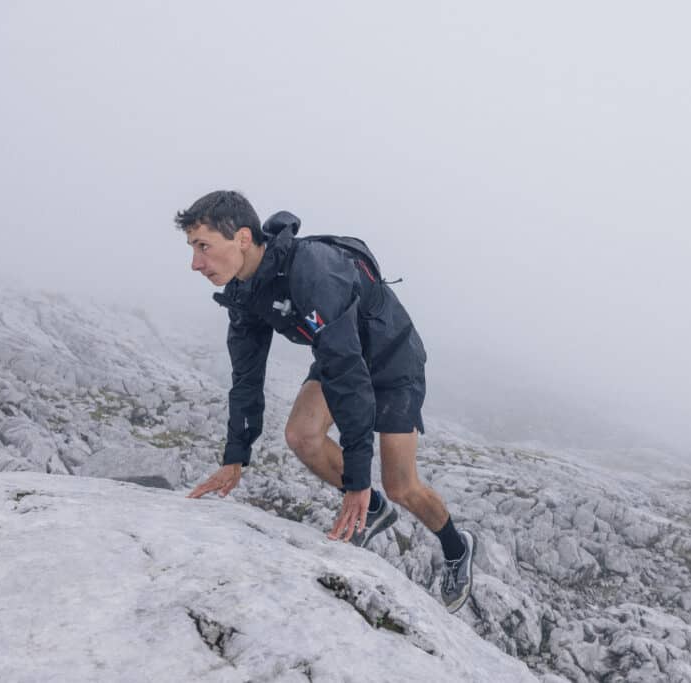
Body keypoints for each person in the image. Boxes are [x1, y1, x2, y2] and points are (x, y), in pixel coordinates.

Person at [178, 190, 475, 613]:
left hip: (391, 359)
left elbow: (349, 376)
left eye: (203, 246)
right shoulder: (244, 293)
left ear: (242, 238)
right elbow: (246, 379)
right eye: (192, 249)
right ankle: (373, 511)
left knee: (401, 484)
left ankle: (456, 548)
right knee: (301, 435)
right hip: (340, 351)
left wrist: (355, 479)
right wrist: (235, 458)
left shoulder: (314, 272)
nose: (196, 263)